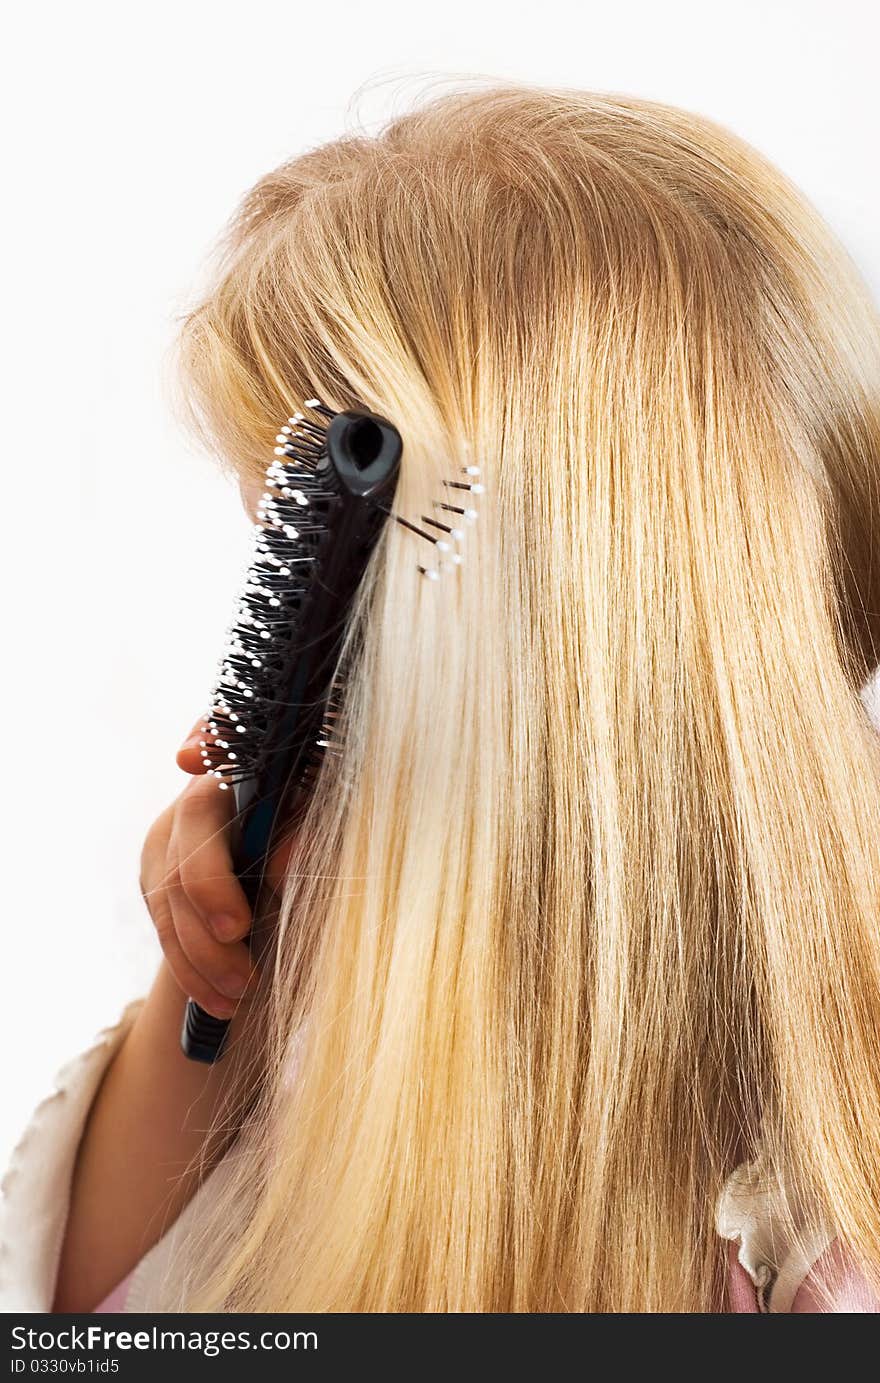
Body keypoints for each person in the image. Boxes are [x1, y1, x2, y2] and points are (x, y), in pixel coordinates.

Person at [3, 82, 880, 1314]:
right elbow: (76, 1310)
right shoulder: (360, 1061)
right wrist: (220, 966)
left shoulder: (814, 1257)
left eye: (300, 562)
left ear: (456, 669)